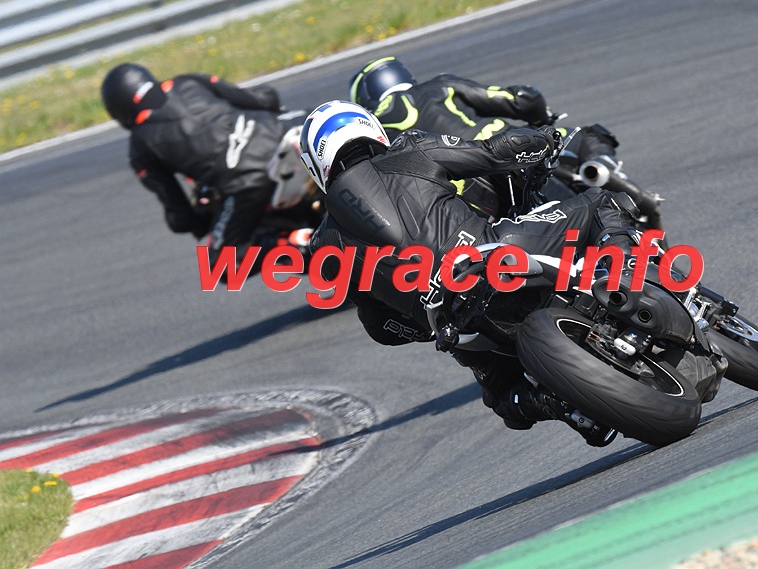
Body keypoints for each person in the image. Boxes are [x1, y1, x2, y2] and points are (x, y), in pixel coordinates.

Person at [299, 100, 696, 442]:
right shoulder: (409, 150)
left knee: (504, 397)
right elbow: (495, 152)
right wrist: (544, 141)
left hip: (453, 319)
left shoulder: (323, 247)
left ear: (317, 163)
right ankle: (621, 277)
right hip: (496, 254)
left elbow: (380, 327)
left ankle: (553, 403)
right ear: (371, 129)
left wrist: (420, 322)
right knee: (599, 202)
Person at [348, 56, 663, 229]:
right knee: (588, 133)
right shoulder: (438, 86)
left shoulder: (375, 132)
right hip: (515, 154)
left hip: (469, 200)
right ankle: (599, 168)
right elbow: (523, 98)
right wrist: (541, 117)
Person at [100, 62, 322, 277]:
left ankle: (299, 243)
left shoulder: (140, 147)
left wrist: (200, 220)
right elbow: (263, 98)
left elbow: (180, 215)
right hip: (290, 130)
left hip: (248, 182)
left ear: (119, 111)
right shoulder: (188, 81)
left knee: (222, 264)